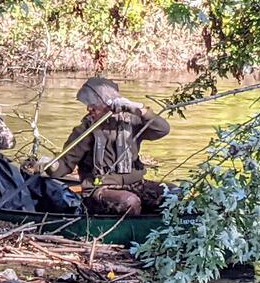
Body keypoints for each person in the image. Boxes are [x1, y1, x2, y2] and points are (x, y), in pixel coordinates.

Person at [46, 77, 170, 216]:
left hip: (136, 185)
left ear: (108, 103)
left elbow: (162, 129)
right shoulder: (85, 130)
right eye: (88, 104)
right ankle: (128, 233)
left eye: (94, 104)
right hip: (99, 190)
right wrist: (49, 165)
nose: (89, 108)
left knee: (174, 194)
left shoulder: (133, 121)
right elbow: (65, 163)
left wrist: (138, 108)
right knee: (129, 202)